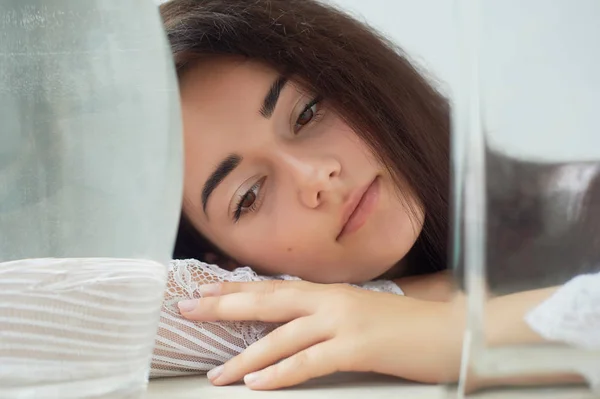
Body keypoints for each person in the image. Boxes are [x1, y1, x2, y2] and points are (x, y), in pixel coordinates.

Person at [151, 0, 599, 392]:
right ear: (221, 265)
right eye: (249, 195)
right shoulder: (225, 301)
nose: (315, 176)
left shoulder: (583, 203)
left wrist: (451, 333)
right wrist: (397, 299)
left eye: (307, 113)